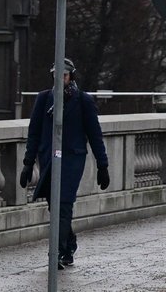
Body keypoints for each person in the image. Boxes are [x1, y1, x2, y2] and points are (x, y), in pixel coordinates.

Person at [19, 58, 109, 269]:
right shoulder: (44, 99)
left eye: (64, 76)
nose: (60, 80)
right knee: (54, 205)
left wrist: (102, 165)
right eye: (56, 76)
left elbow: (95, 135)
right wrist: (28, 163)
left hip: (72, 160)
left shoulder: (82, 101)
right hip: (49, 159)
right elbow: (34, 133)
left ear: (71, 76)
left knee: (64, 203)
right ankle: (68, 243)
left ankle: (56, 252)